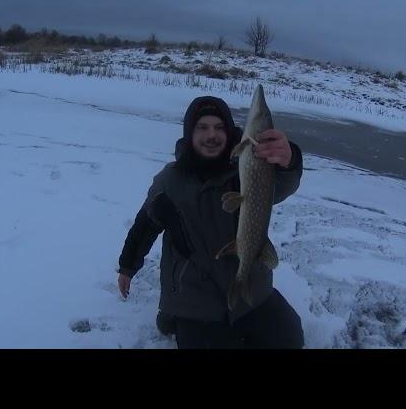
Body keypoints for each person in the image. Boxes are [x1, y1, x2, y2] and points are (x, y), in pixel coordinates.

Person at [117, 95, 304, 349]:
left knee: (289, 339)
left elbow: (282, 183)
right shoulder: (170, 181)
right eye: (202, 127)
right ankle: (173, 317)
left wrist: (289, 160)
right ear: (189, 133)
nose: (211, 135)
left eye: (219, 127)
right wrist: (127, 266)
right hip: (195, 298)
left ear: (230, 133)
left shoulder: (248, 167)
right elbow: (145, 225)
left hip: (251, 288)